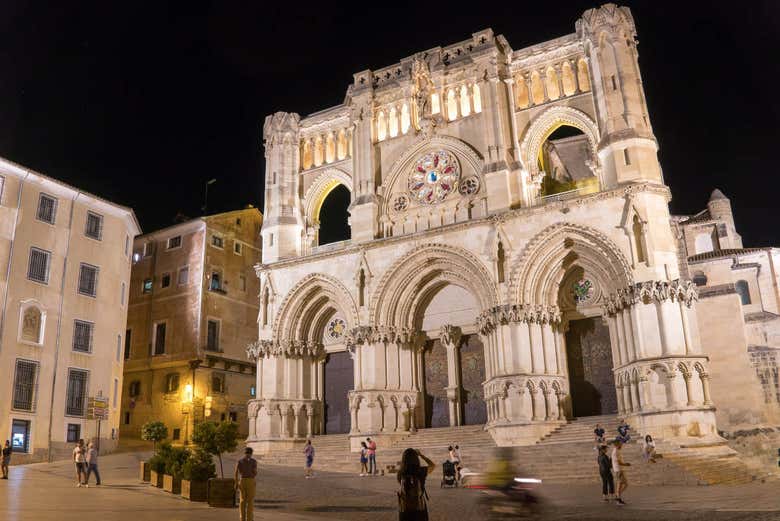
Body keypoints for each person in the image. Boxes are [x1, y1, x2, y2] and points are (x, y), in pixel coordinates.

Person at [397, 448, 435, 521]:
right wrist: (421, 455)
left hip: (405, 507)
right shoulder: (421, 471)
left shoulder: (400, 473)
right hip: (419, 506)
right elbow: (432, 465)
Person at [234, 447, 258, 521]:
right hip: (250, 480)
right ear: (251, 453)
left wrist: (236, 482)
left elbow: (236, 472)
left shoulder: (240, 461)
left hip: (242, 480)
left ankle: (242, 518)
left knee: (242, 500)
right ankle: (249, 519)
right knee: (250, 501)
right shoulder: (254, 461)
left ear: (245, 453)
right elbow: (255, 472)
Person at [611, 440, 630, 505]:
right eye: (620, 444)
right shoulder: (615, 451)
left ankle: (618, 497)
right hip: (618, 470)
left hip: (619, 469)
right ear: (617, 444)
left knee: (621, 484)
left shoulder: (617, 450)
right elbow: (619, 462)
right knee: (624, 484)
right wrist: (626, 464)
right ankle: (618, 497)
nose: (622, 445)